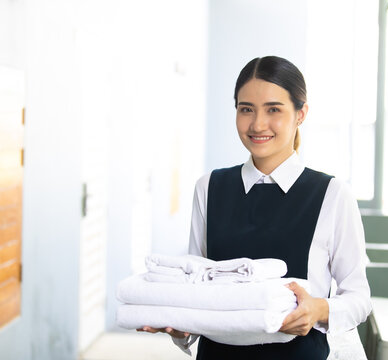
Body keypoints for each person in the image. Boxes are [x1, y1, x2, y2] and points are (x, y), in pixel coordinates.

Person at [139, 55, 372, 359]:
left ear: (301, 114)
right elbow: (197, 289)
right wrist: (182, 325)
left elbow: (359, 297)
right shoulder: (209, 187)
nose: (258, 124)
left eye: (273, 109)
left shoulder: (331, 194)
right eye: (246, 109)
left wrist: (319, 309)